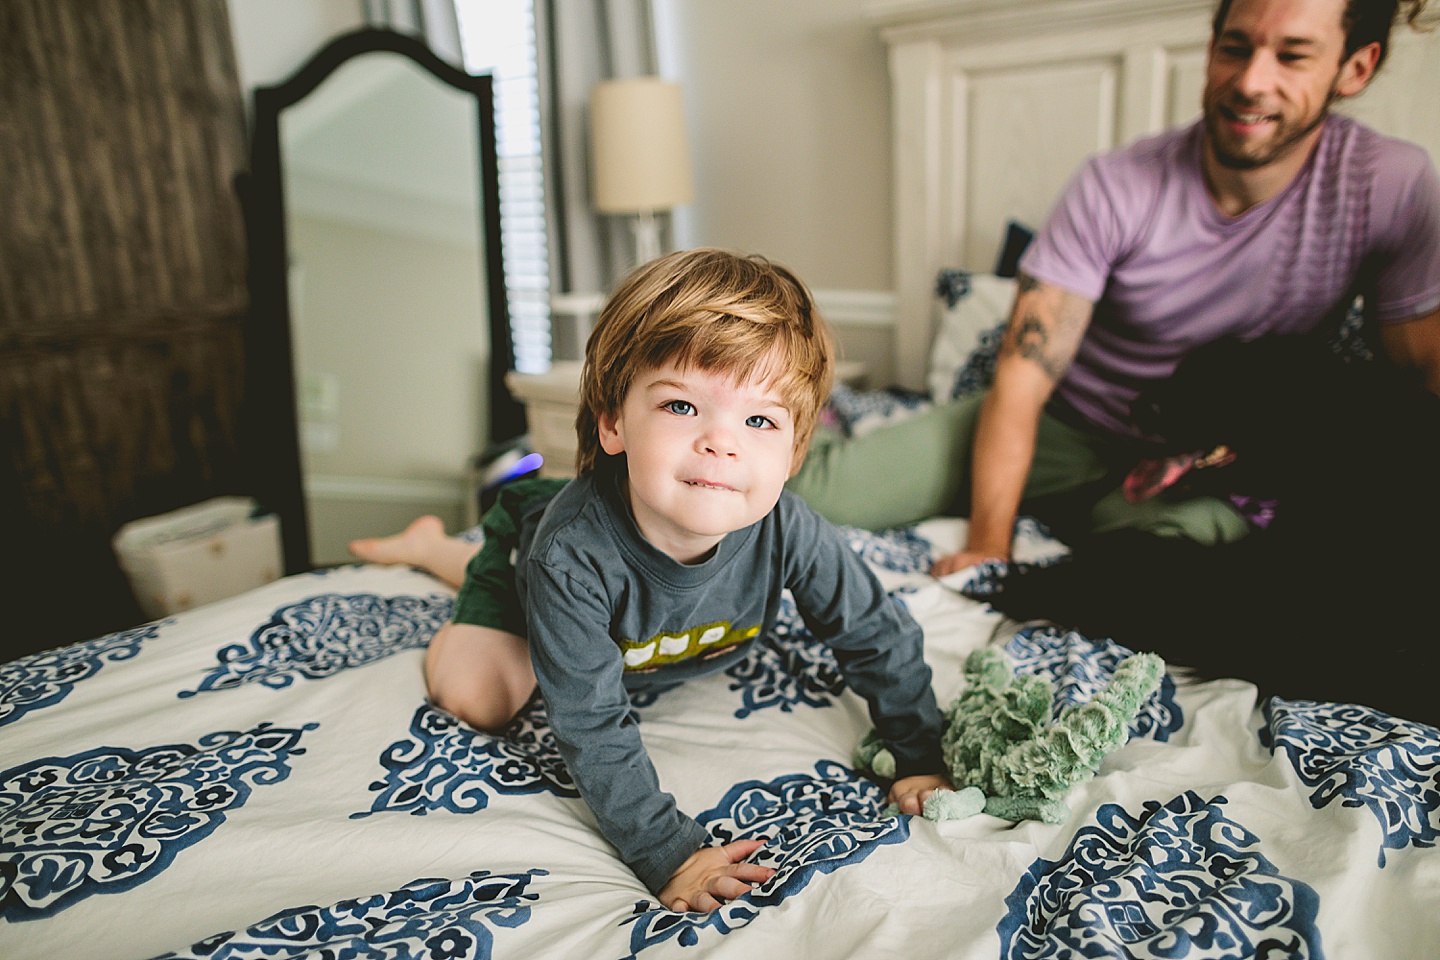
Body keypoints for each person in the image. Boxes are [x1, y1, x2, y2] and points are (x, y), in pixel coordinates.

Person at [352, 248, 949, 914]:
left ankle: (433, 545)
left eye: (759, 421)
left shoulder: (789, 528)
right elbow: (592, 724)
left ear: (794, 452)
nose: (721, 442)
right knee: (476, 698)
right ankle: (460, 556)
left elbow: (872, 630)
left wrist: (919, 750)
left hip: (597, 592)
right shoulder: (569, 556)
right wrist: (667, 852)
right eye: (682, 406)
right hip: (542, 569)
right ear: (614, 423)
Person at [787, 0, 1440, 576]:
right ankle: (812, 416)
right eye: (1235, 48)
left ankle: (1104, 522)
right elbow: (1022, 378)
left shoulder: (1391, 188)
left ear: (1355, 68)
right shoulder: (1119, 185)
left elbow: (1416, 389)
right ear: (1211, 50)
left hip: (1210, 460)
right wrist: (989, 543)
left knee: (1183, 560)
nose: (1250, 81)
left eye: (1293, 56)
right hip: (1061, 425)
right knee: (812, 496)